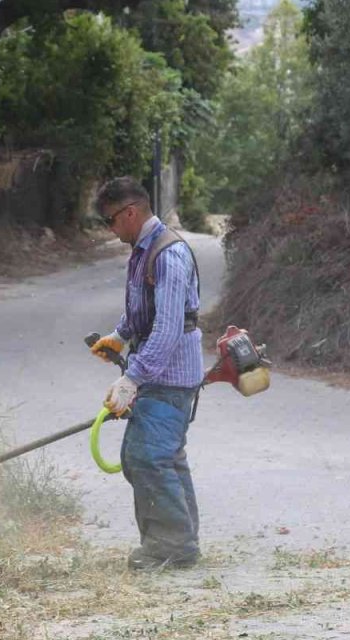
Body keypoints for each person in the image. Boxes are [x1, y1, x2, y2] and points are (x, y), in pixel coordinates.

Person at [89, 177, 203, 571]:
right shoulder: (142, 252)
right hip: (159, 372)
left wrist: (131, 379)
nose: (110, 229)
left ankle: (171, 547)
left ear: (131, 212)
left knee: (146, 457)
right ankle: (181, 540)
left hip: (168, 378)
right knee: (163, 457)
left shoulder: (168, 255)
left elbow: (169, 328)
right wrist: (119, 336)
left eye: (110, 221)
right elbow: (144, 309)